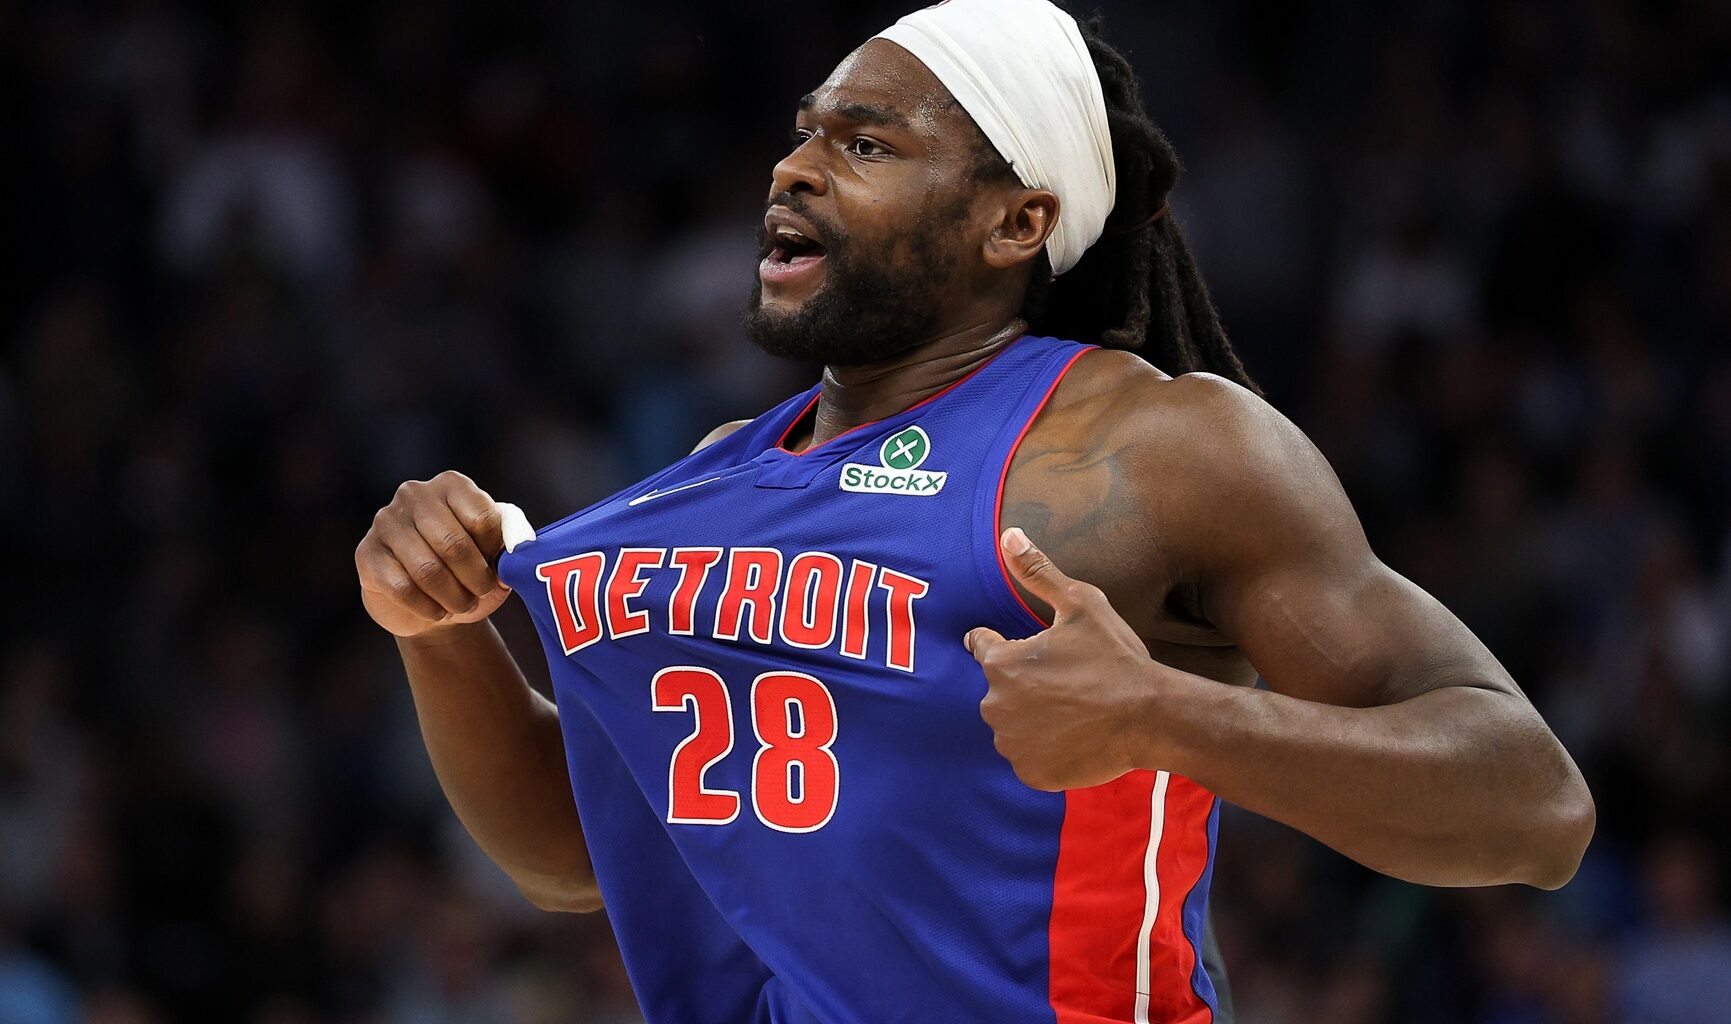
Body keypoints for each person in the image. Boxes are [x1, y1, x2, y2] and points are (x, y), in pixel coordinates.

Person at [353, 2, 1595, 1021]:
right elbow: (574, 857)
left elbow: (1536, 807)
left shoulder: (1157, 450)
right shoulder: (720, 477)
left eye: (867, 146)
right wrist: (438, 629)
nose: (795, 167)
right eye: (805, 134)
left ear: (1016, 222)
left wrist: (1168, 716)